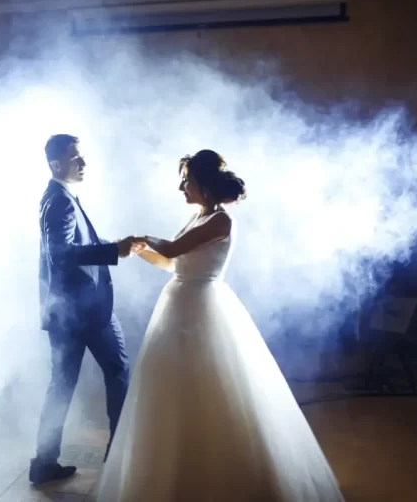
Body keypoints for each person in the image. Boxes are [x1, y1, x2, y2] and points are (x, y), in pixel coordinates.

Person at [97, 150, 344, 501]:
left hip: (202, 305)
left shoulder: (220, 221)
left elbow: (173, 249)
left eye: (187, 180)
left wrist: (144, 237)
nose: (182, 187)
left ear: (204, 183)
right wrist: (142, 251)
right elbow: (172, 264)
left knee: (209, 383)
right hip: (179, 302)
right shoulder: (199, 216)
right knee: (173, 387)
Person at [30, 134, 141, 485]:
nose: (83, 163)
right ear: (56, 164)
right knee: (115, 373)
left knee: (65, 385)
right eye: (75, 157)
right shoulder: (59, 201)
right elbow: (61, 255)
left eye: (82, 157)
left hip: (74, 313)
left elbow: (76, 247)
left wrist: (113, 246)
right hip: (83, 314)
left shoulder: (61, 196)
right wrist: (112, 251)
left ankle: (45, 463)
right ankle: (118, 454)